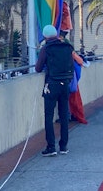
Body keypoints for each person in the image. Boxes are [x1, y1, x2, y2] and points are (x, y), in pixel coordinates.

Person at [35, 25, 74, 157]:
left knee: (49, 116)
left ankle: (51, 147)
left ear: (45, 36)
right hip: (65, 85)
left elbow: (38, 68)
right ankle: (63, 146)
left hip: (52, 84)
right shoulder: (67, 47)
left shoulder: (46, 48)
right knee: (63, 115)